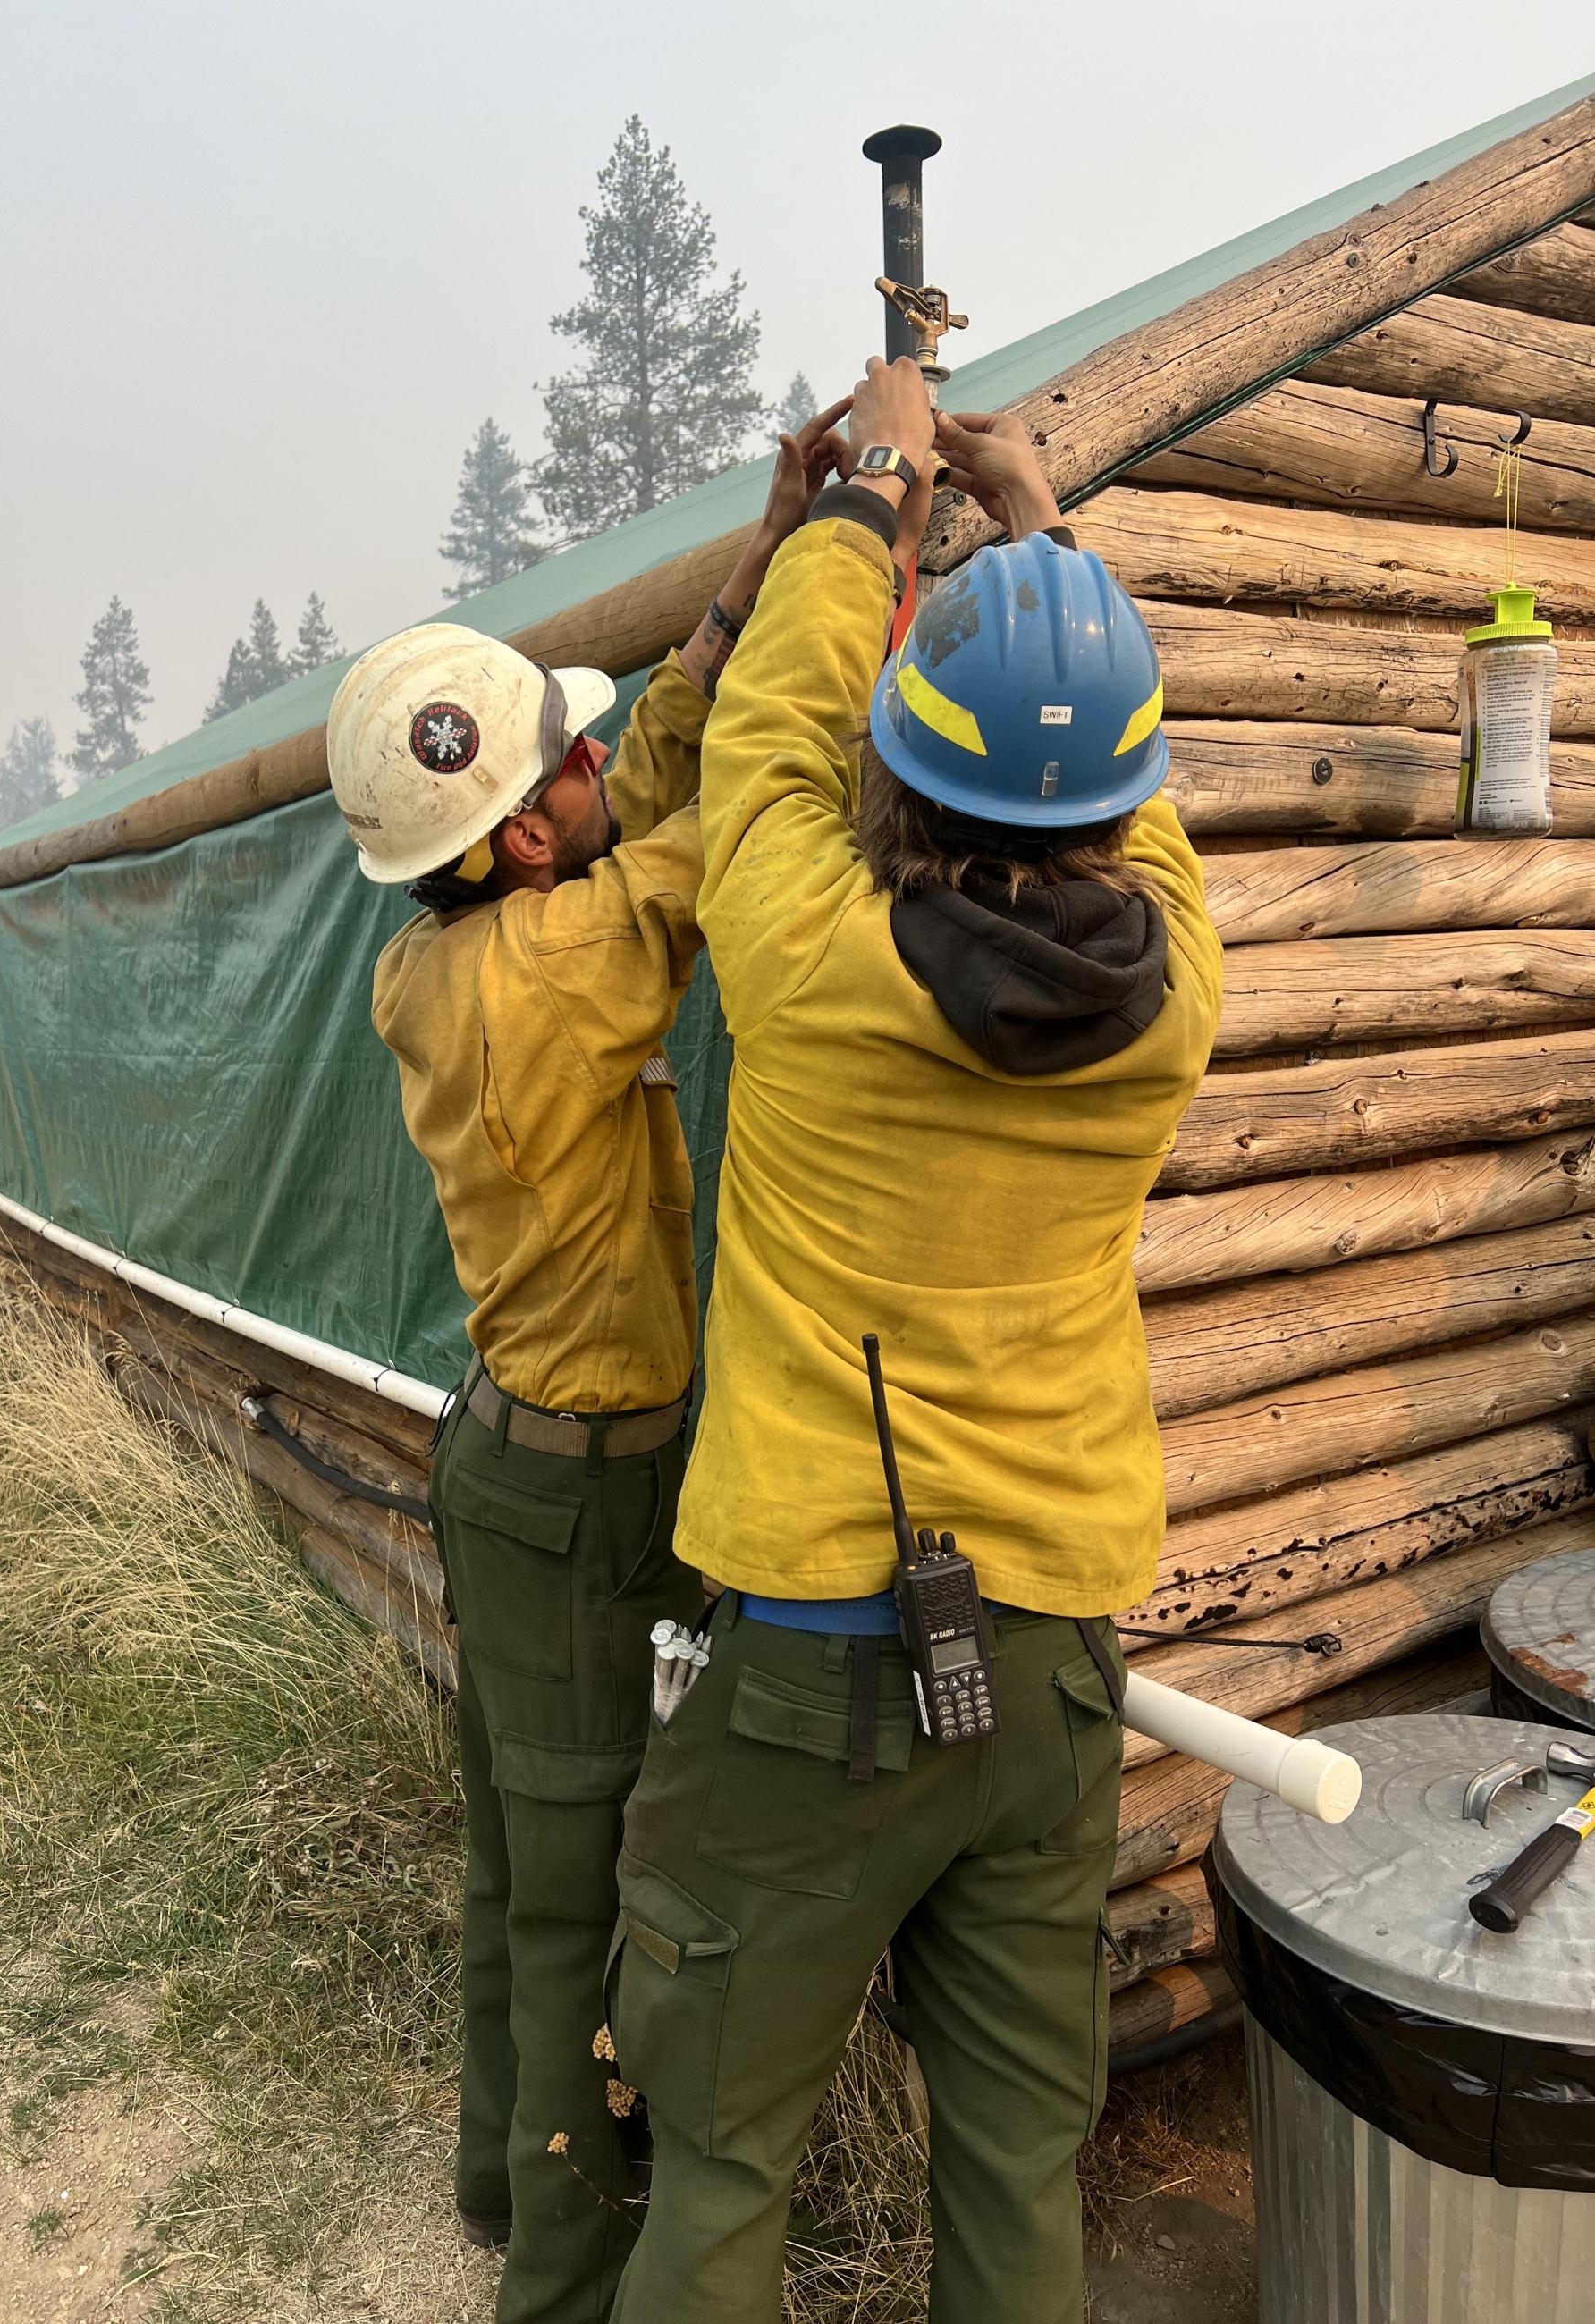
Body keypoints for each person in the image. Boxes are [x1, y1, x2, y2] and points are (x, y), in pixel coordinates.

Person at [607, 358, 1223, 2324]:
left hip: (814, 1669)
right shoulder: (1174, 1010)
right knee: (1017, 2168)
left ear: (908, 767)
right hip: (1046, 1679)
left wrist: (874, 485)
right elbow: (1134, 791)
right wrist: (1040, 529)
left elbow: (771, 737)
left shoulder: (804, 956)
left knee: (718, 2165)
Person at [325, 403, 856, 2324]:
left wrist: (755, 548)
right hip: (589, 1492)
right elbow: (738, 821)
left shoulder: (437, 960)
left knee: (508, 1844)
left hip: (502, 1463)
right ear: (523, 836)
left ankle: (494, 2167)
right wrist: (858, 549)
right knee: (574, 1903)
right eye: (560, 767)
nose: (591, 764)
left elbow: (629, 782)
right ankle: (560, 2275)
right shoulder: (571, 955)